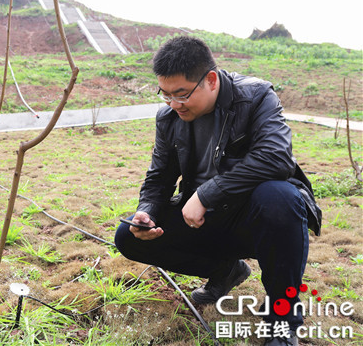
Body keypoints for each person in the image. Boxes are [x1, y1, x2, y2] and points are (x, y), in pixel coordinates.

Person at [114, 36, 321, 346]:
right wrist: (148, 212)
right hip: (203, 221)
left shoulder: (255, 96)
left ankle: (283, 317)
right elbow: (159, 179)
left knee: (280, 196)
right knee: (127, 236)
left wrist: (205, 195)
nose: (174, 104)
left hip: (255, 219)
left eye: (182, 94)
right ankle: (225, 271)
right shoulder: (169, 118)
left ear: (210, 80)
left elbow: (276, 157)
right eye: (166, 94)